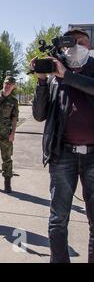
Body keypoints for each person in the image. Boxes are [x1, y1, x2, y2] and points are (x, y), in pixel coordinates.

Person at [32, 27, 94, 263]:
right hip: (63, 155)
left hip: (93, 156)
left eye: (83, 42)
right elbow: (39, 115)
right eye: (72, 42)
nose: (78, 46)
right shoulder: (56, 73)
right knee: (58, 218)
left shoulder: (87, 69)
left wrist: (66, 75)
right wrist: (41, 81)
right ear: (64, 47)